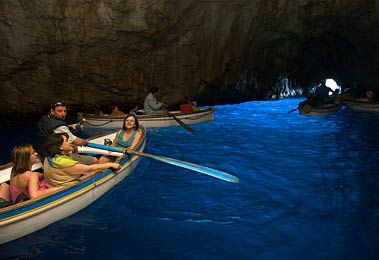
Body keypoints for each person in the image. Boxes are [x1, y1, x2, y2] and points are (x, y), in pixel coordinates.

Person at [44, 133, 121, 187]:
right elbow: (89, 169)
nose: (70, 142)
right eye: (67, 141)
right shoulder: (63, 162)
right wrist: (110, 164)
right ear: (60, 147)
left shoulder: (49, 157)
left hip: (54, 182)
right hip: (66, 186)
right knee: (97, 170)